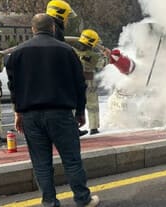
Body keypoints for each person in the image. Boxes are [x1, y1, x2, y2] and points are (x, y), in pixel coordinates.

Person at [6, 14, 99, 207]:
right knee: (71, 160)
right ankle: (82, 199)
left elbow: (13, 86)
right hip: (61, 114)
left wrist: (17, 112)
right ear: (53, 28)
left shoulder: (17, 53)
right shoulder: (66, 50)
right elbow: (79, 84)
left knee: (41, 163)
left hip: (30, 116)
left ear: (32, 29)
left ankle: (49, 202)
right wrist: (80, 111)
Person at [46, 0, 88, 136]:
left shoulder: (48, 30)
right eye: (66, 18)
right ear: (60, 15)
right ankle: (70, 129)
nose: (67, 21)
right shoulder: (55, 33)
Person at [69, 29, 109, 135]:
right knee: (93, 106)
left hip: (73, 82)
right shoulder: (94, 56)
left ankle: (73, 128)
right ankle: (94, 127)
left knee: (73, 106)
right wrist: (106, 55)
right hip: (89, 82)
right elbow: (102, 64)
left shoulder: (71, 51)